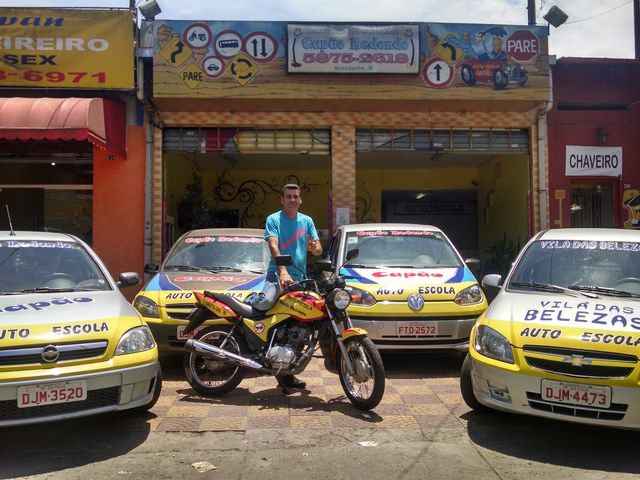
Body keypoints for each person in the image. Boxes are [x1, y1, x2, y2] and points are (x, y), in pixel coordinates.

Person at [246, 183, 322, 391]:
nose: (292, 199)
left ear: (300, 200)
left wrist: (314, 247)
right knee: (266, 301)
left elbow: (317, 249)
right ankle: (247, 301)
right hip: (278, 273)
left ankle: (286, 371)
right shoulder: (274, 219)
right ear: (282, 200)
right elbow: (273, 246)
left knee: (301, 322)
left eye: (295, 196)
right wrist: (283, 271)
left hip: (300, 279)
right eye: (288, 196)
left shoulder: (307, 221)